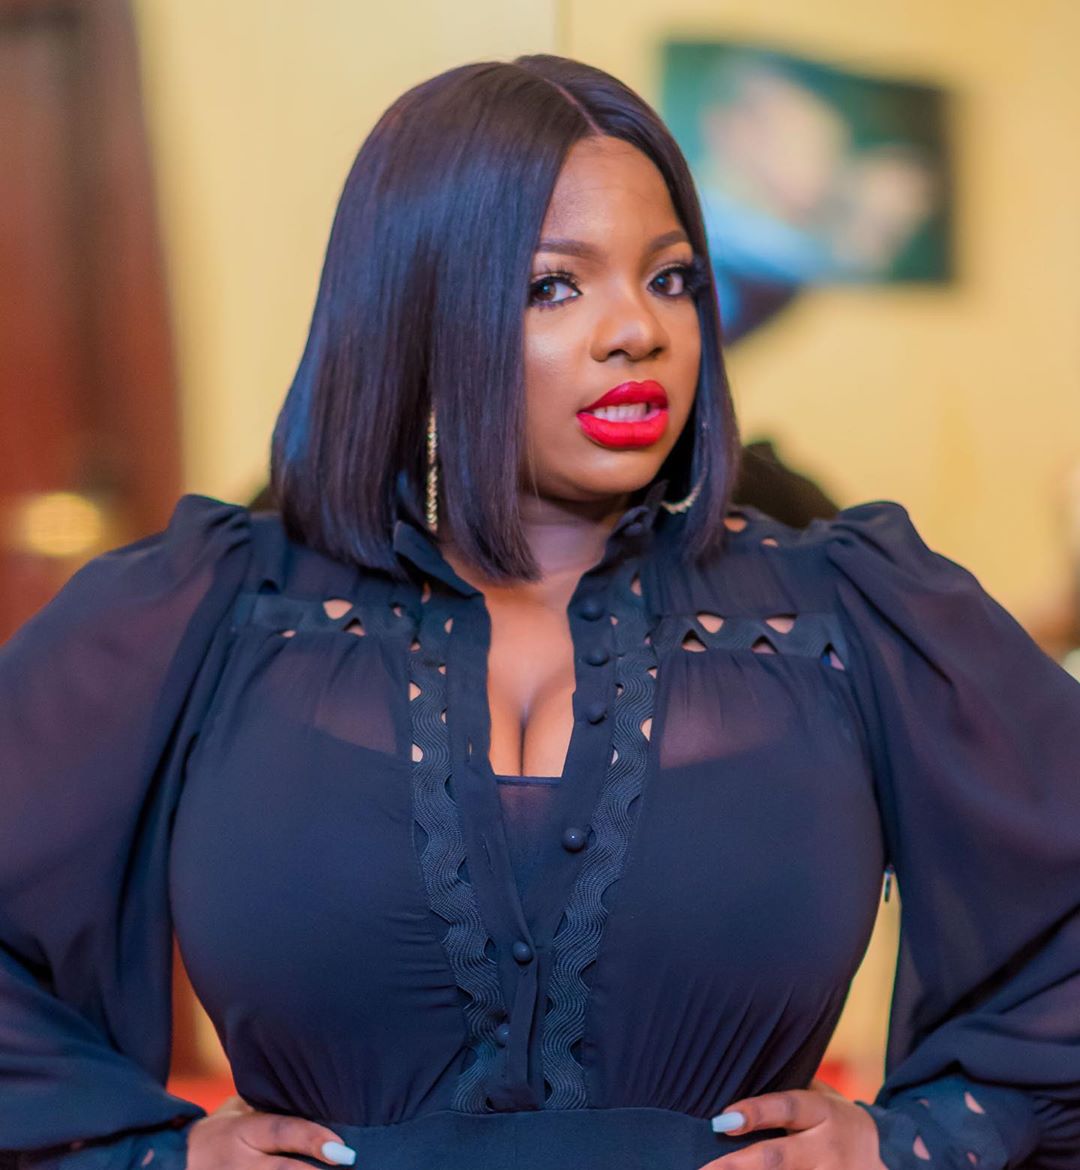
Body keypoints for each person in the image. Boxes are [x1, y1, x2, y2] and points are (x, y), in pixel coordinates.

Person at [1, 54, 1077, 1170]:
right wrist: (151, 1156)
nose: (638, 331)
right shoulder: (215, 616)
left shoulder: (843, 615)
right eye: (554, 286)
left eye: (671, 279)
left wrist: (921, 1142)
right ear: (416, 313)